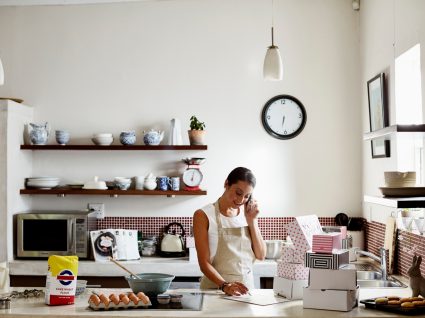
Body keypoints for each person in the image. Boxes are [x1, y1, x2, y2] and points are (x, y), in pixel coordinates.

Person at [193, 167, 266, 296]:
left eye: (246, 196)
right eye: (238, 193)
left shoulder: (248, 214)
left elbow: (261, 255)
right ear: (226, 184)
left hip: (245, 291)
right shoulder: (203, 215)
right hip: (215, 290)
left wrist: (252, 221)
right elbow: (204, 263)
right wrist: (225, 286)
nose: (240, 200)